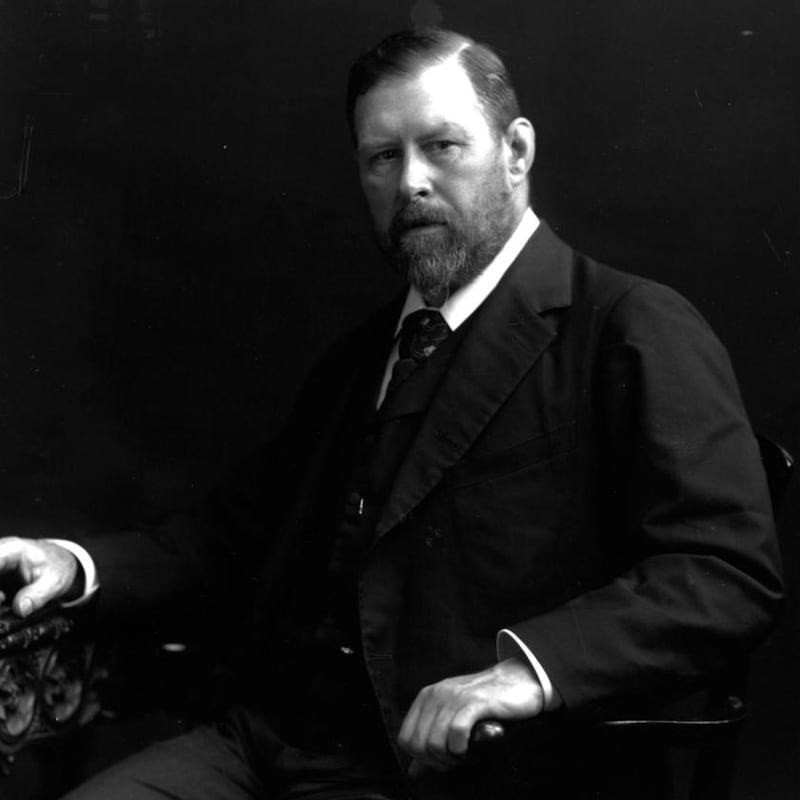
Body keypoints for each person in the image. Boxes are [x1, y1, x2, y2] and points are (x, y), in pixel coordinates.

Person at [0, 28, 784, 800]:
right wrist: (77, 563)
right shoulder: (365, 355)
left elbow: (724, 570)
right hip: (264, 744)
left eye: (441, 146)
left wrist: (529, 670)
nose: (409, 181)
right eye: (382, 157)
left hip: (459, 776)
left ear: (516, 152)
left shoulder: (627, 324)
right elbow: (235, 533)